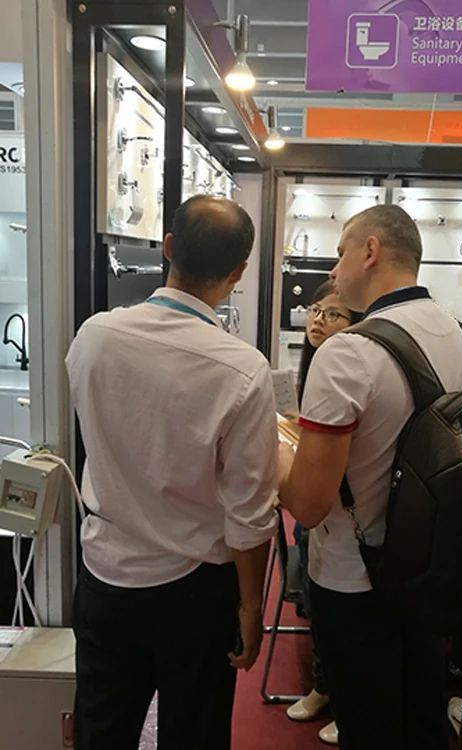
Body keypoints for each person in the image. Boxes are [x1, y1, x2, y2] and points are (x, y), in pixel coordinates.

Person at [66, 195, 279, 750]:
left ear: (167, 248)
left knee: (101, 728)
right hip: (195, 588)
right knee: (195, 733)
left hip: (104, 570)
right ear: (238, 272)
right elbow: (250, 512)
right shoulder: (243, 369)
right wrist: (251, 605)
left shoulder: (94, 336)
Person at [278, 204, 462, 750]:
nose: (334, 269)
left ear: (370, 252)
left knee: (369, 727)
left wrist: (275, 451)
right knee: (421, 721)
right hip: (431, 571)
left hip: (355, 578)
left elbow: (309, 504)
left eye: (341, 252)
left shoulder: (349, 352)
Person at [287, 281, 360, 746]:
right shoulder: (314, 364)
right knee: (316, 598)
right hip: (317, 505)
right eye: (316, 310)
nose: (318, 320)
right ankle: (323, 686)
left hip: (346, 511)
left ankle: (343, 699)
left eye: (333, 314)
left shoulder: (353, 367)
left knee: (342, 616)